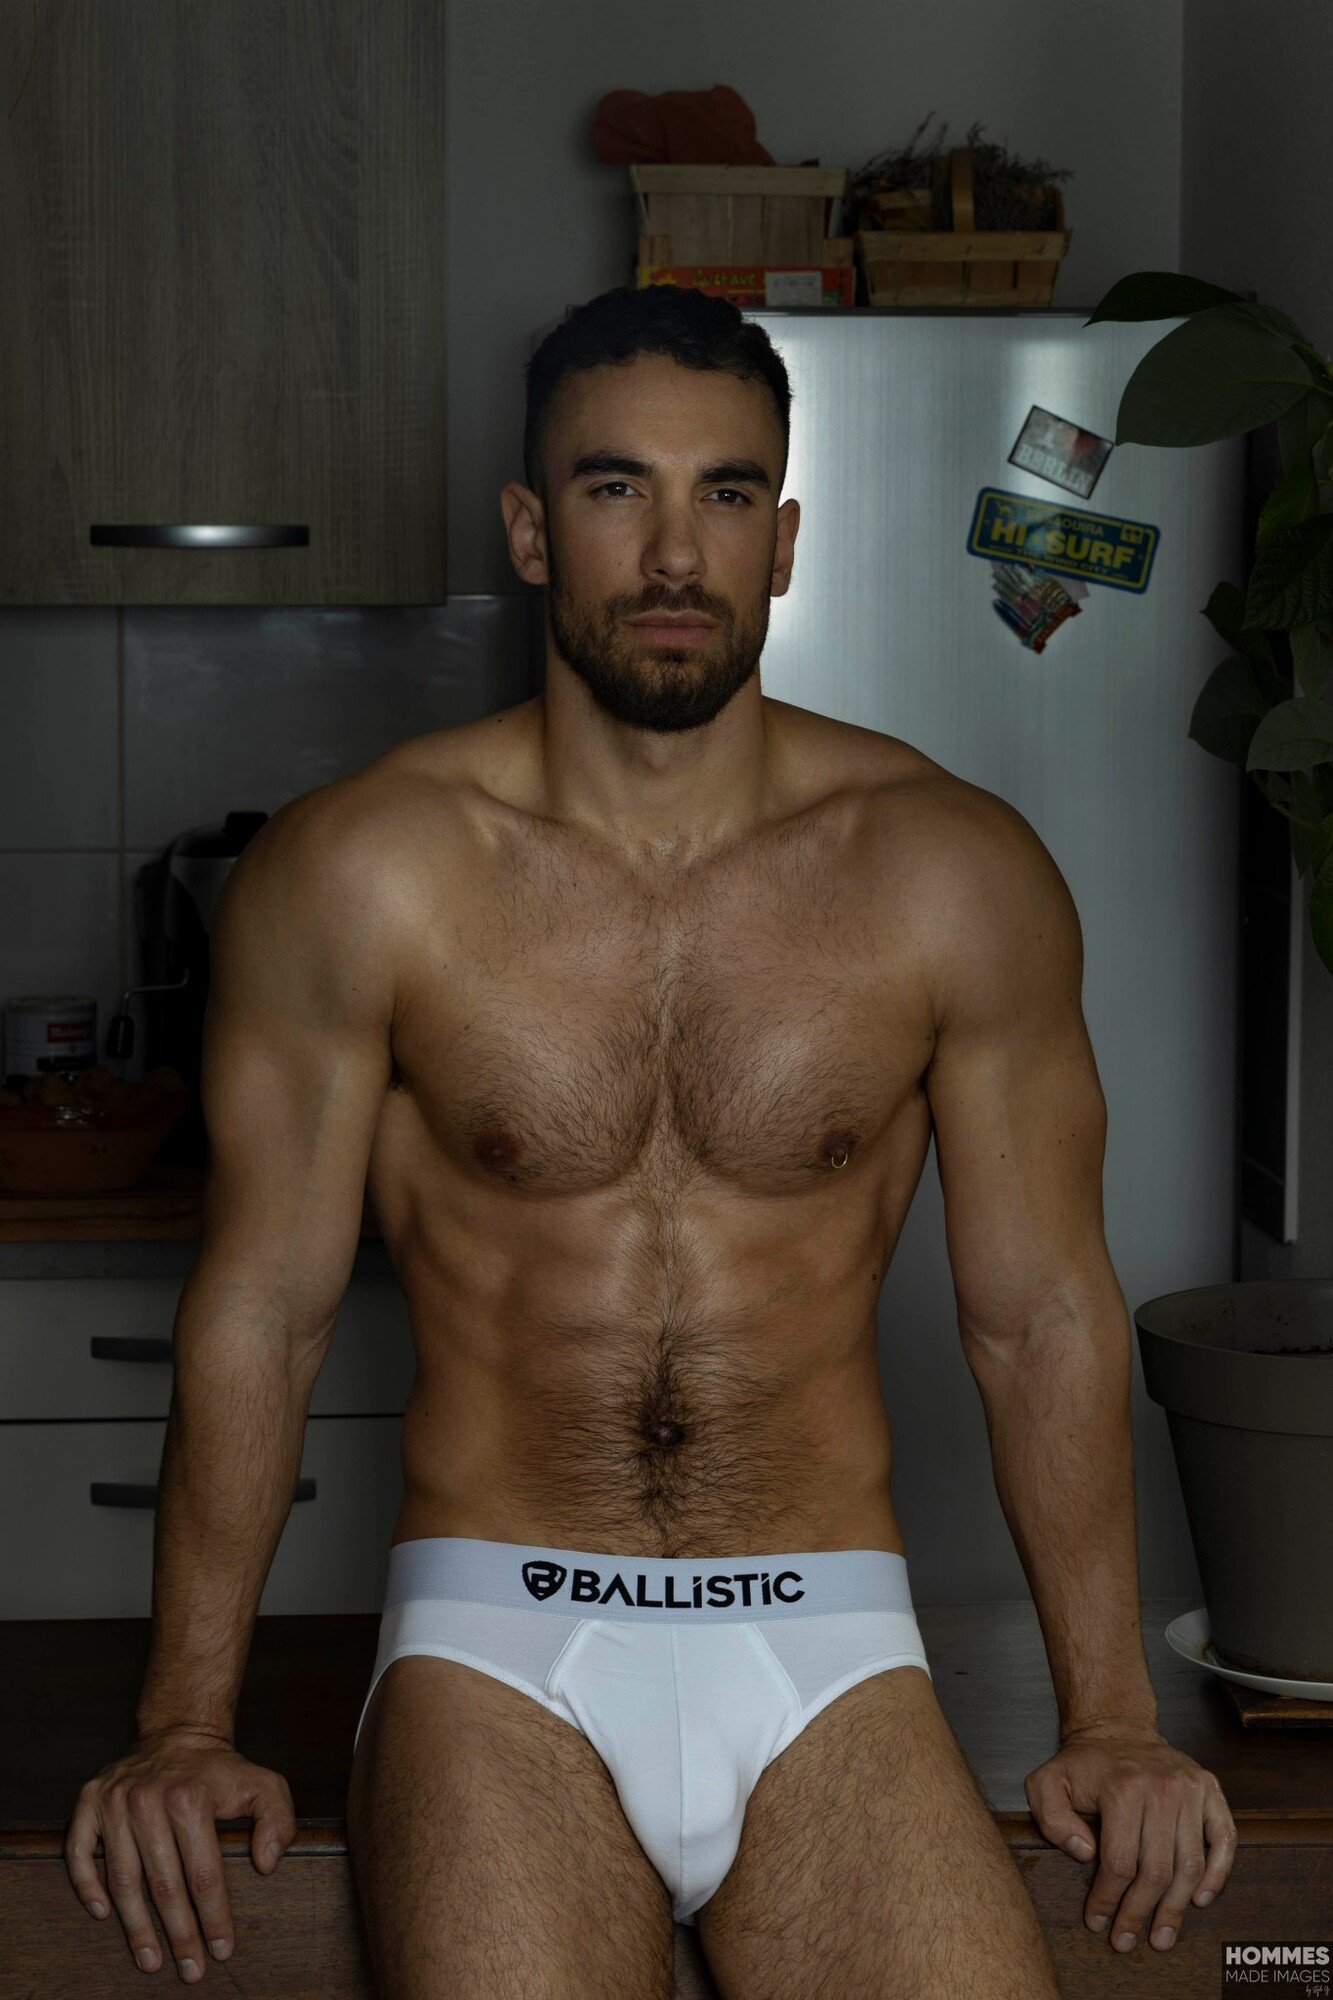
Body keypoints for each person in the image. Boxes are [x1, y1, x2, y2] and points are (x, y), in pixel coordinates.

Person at [64, 284, 1236, 1997]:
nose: (676, 553)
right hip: (498, 1639)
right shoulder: (366, 869)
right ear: (532, 532)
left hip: (829, 1638)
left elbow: (1040, 1316)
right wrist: (183, 1724)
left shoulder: (948, 870)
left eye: (727, 493)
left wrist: (1112, 1718)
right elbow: (264, 1308)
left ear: (785, 540)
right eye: (616, 489)